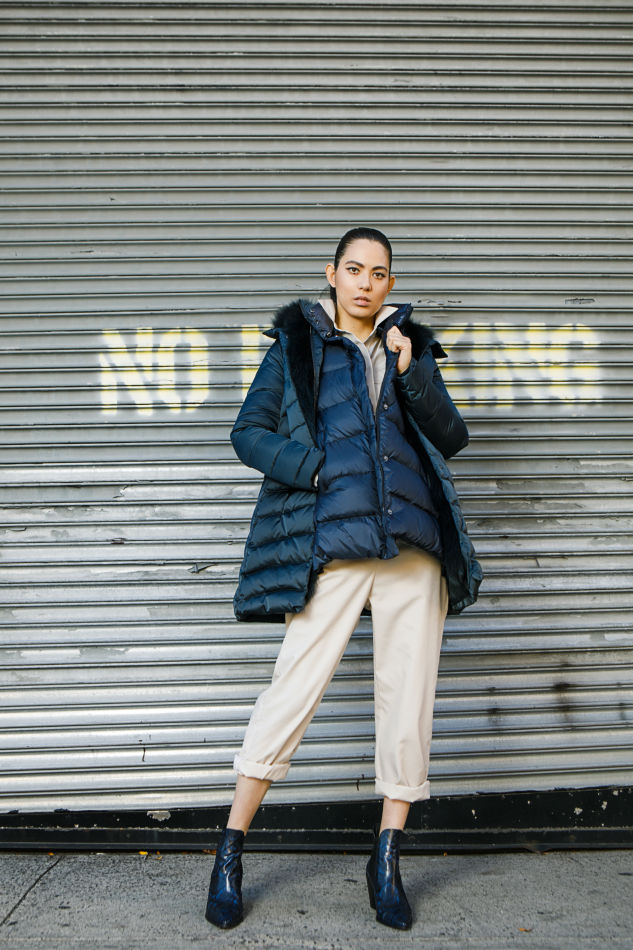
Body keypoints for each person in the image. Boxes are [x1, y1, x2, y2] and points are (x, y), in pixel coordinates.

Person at [205, 227, 482, 931]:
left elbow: (451, 437)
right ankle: (230, 849)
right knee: (290, 692)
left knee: (407, 702)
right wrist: (317, 470)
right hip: (333, 544)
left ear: (390, 283)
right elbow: (248, 432)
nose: (365, 283)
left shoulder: (409, 346)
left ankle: (386, 860)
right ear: (332, 274)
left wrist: (412, 369)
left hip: (412, 550)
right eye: (354, 269)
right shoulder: (297, 346)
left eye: (378, 273)